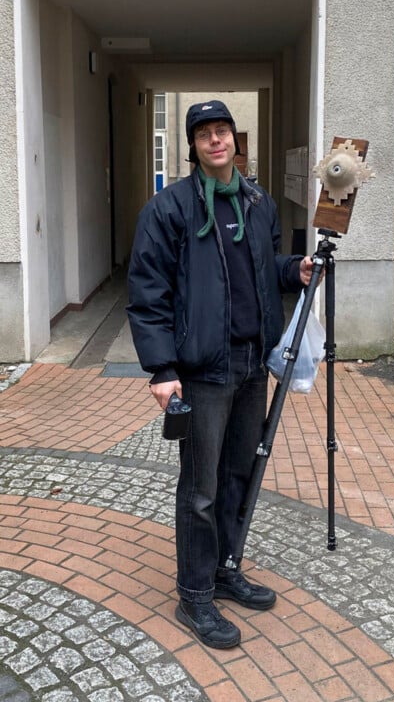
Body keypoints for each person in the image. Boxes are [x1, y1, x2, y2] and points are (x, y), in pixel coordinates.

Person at [127, 100, 316, 650]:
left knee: (240, 476)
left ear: (237, 139)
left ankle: (226, 567)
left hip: (253, 364)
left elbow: (264, 266)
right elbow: (147, 295)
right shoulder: (168, 210)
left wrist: (294, 270)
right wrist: (162, 369)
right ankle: (194, 594)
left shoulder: (258, 203)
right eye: (205, 134)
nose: (217, 141)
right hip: (203, 371)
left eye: (224, 131)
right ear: (193, 145)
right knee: (201, 489)